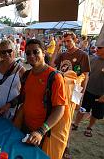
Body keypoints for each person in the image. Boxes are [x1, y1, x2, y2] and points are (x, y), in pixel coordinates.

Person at [12, 39, 69, 159]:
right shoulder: (27, 74)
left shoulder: (55, 77)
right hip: (25, 128)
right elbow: (24, 97)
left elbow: (60, 108)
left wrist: (41, 131)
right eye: (28, 53)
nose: (31, 55)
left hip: (42, 135)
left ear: (43, 53)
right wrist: (8, 105)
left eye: (35, 52)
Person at [50, 31, 91, 159]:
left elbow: (85, 76)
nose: (67, 43)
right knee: (58, 118)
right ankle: (56, 143)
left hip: (74, 92)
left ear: (75, 40)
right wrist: (57, 47)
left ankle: (65, 147)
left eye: (69, 41)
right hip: (61, 90)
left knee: (67, 120)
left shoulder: (82, 55)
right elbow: (51, 65)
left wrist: (81, 96)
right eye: (65, 41)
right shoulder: (62, 54)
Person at [72, 26, 104, 137]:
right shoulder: (93, 59)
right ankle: (75, 124)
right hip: (89, 91)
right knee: (83, 109)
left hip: (100, 95)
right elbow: (85, 72)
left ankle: (89, 128)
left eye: (100, 48)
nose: (97, 49)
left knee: (95, 113)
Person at [0, 40, 26, 119]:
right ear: (0, 54)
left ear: (13, 51)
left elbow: (24, 94)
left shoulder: (21, 70)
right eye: (3, 52)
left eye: (9, 51)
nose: (6, 54)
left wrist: (8, 106)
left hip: (11, 110)